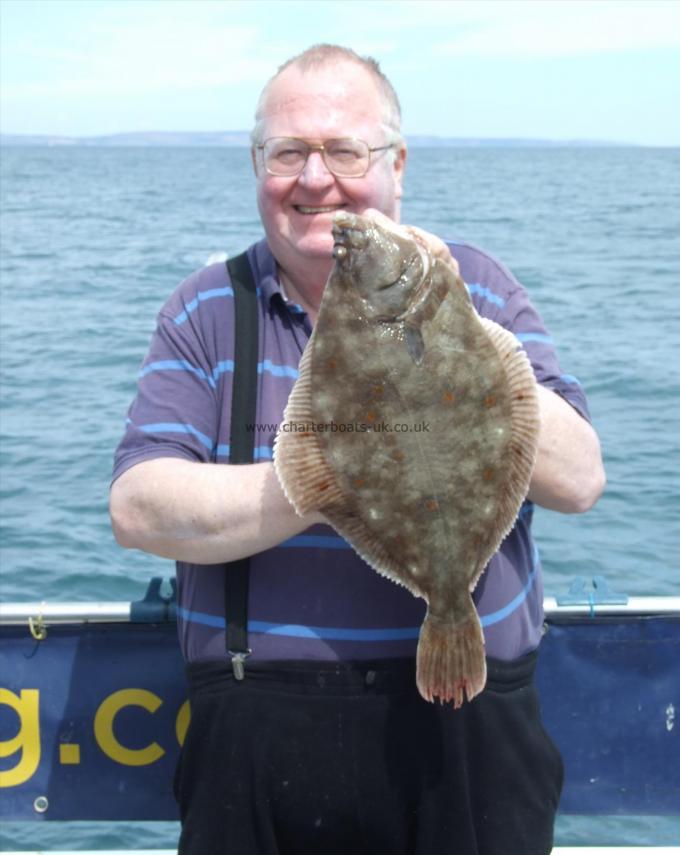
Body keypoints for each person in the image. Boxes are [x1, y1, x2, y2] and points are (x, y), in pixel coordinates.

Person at [110, 44, 605, 855]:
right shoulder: (205, 309)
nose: (316, 178)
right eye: (288, 152)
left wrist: (454, 329)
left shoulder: (478, 285)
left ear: (397, 166)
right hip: (254, 737)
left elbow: (582, 479)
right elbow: (136, 506)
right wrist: (320, 478)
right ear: (256, 166)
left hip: (472, 734)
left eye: (345, 150)